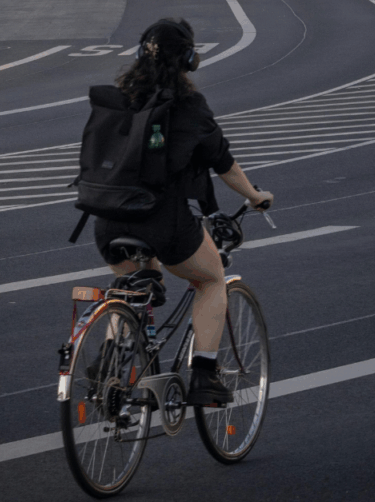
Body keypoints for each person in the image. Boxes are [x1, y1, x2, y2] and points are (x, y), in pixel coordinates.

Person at [92, 18, 273, 405]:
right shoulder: (190, 107)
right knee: (211, 280)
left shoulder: (116, 101)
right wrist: (255, 196)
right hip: (162, 221)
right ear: (190, 60)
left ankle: (109, 370)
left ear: (139, 55)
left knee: (131, 288)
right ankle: (204, 377)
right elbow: (225, 165)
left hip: (106, 219)